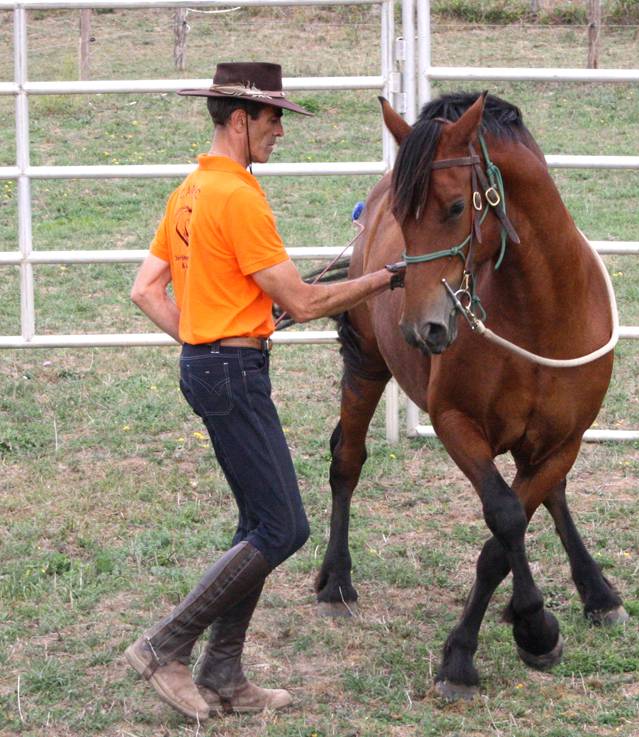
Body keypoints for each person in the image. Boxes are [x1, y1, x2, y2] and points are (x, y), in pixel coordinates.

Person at [126, 62, 404, 722]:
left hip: (213, 366)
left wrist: (201, 339)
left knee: (259, 521)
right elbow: (304, 302)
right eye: (273, 117)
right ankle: (164, 645)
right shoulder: (238, 197)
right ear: (239, 119)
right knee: (285, 525)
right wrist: (383, 277)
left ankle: (223, 672)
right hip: (232, 372)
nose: (280, 129)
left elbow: (144, 290)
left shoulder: (191, 191)